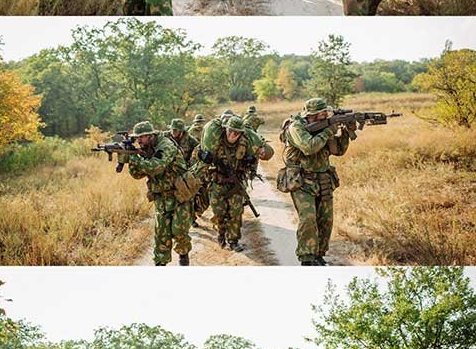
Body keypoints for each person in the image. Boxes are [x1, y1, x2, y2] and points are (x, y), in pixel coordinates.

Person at [278, 96, 354, 265]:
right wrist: (328, 131)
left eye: (326, 113)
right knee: (309, 218)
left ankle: (318, 255)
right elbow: (309, 147)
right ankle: (306, 258)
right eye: (322, 114)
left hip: (323, 179)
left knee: (325, 219)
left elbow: (339, 150)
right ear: (312, 114)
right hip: (302, 180)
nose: (325, 116)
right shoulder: (296, 127)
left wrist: (345, 133)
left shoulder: (324, 126)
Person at [121, 122, 200, 266]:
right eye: (137, 138)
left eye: (142, 137)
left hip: (179, 196)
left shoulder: (166, 145)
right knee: (161, 236)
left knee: (179, 232)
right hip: (160, 198)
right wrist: (129, 157)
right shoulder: (146, 148)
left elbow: (156, 166)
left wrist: (134, 158)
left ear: (151, 136)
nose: (139, 141)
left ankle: (183, 258)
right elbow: (137, 174)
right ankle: (160, 265)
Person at [198, 110, 273, 250]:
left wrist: (250, 160)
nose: (233, 135)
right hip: (217, 183)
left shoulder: (244, 143)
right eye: (231, 131)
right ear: (226, 129)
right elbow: (200, 157)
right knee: (219, 213)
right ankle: (221, 232)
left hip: (235, 184)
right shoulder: (216, 141)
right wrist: (203, 157)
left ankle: (233, 241)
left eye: (237, 132)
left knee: (236, 213)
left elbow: (265, 152)